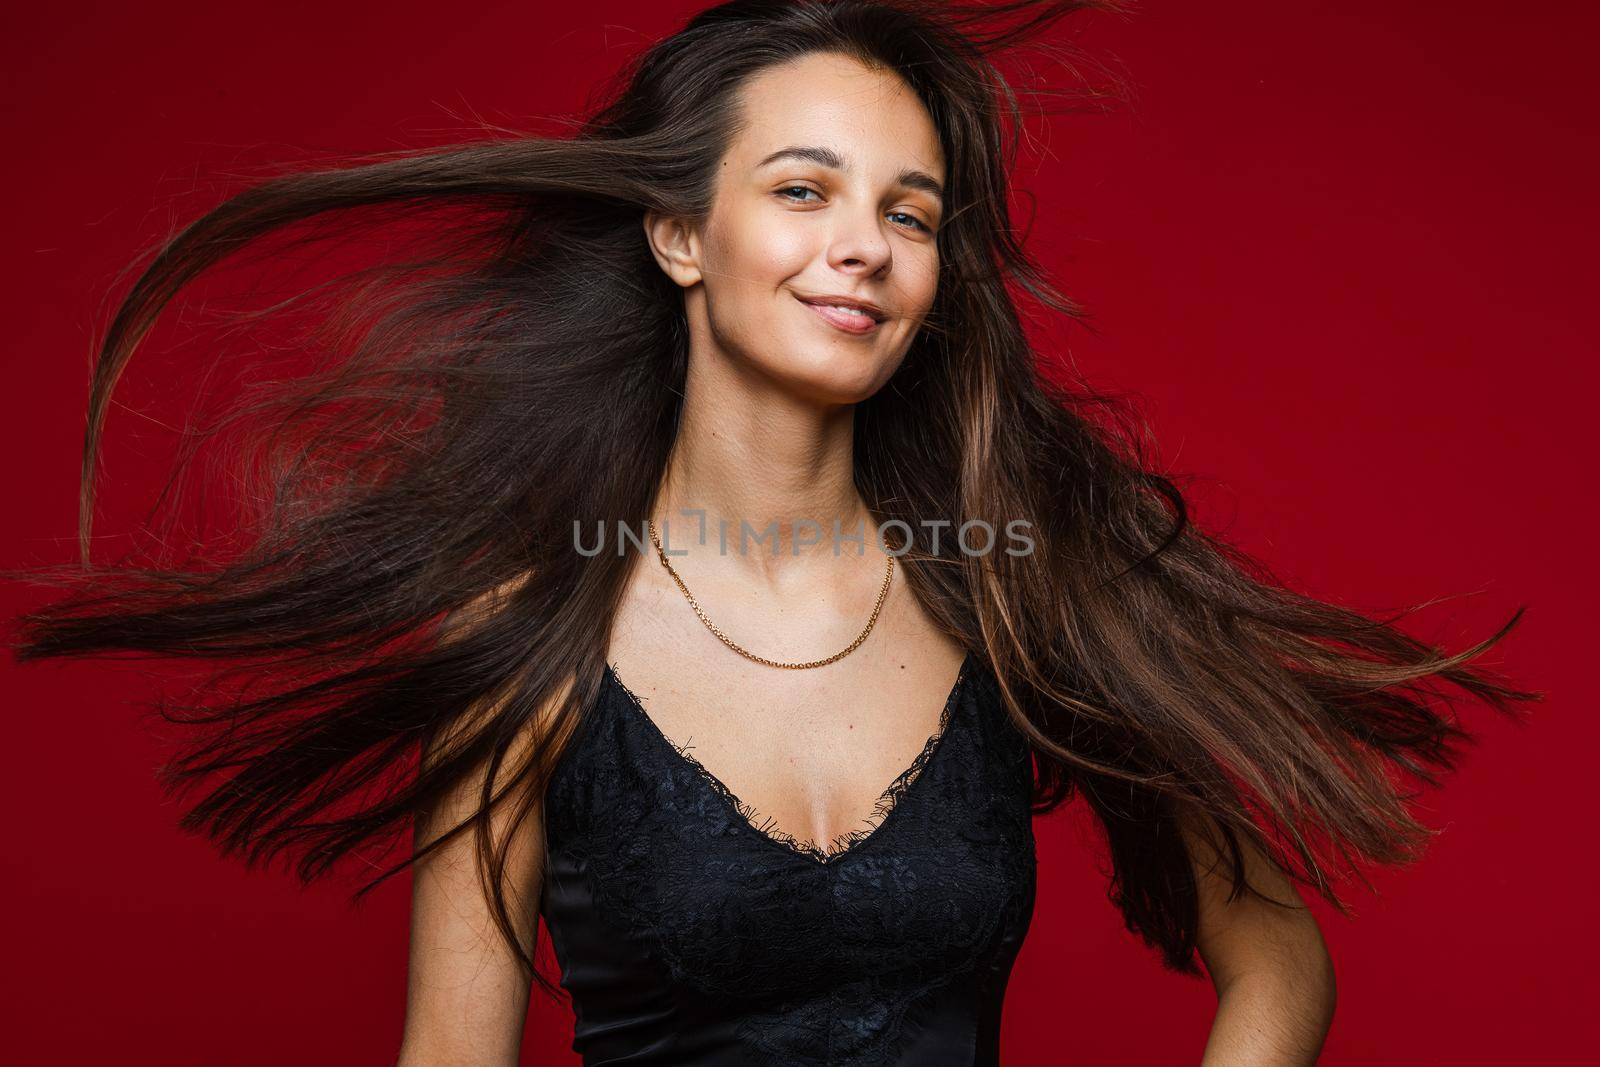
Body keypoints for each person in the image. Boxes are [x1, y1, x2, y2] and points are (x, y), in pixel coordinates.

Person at [6, 1, 1539, 1064]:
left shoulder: (1008, 599)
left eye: (914, 212)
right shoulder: (532, 642)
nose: (863, 246)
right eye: (803, 189)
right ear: (681, 233)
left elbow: (1278, 950)